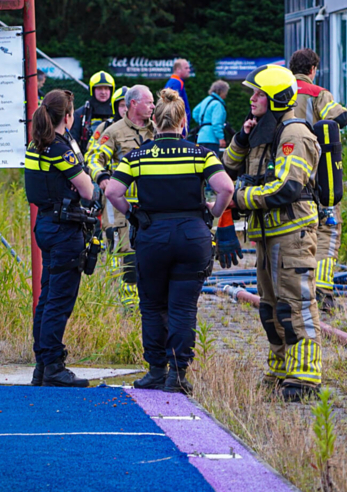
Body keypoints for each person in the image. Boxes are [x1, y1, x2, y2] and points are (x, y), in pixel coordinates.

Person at [104, 89, 235, 393]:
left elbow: (112, 192)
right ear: (182, 121)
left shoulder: (138, 155)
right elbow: (225, 188)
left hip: (152, 237)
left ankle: (154, 371)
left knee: (151, 305)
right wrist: (212, 213)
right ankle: (177, 375)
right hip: (192, 235)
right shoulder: (200, 154)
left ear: (156, 119)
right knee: (183, 306)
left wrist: (133, 214)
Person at [221, 64, 321, 402]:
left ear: (277, 98)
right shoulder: (263, 131)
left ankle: (305, 376)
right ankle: (282, 369)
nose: (252, 98)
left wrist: (239, 198)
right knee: (270, 308)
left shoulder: (295, 135)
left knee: (296, 303)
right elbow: (227, 167)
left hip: (292, 234)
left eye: (259, 93)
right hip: (266, 234)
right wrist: (242, 138)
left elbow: (285, 187)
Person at [25, 89, 101, 387]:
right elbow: (87, 190)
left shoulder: (36, 144)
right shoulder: (59, 147)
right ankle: (54, 366)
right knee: (59, 300)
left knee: (47, 298)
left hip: (46, 224)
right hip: (63, 229)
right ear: (67, 117)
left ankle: (43, 366)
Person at [289, 48, 347, 315]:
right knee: (326, 233)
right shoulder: (317, 93)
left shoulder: (279, 92)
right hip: (315, 177)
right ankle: (322, 292)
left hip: (282, 176)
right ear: (313, 69)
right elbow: (340, 117)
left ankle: (291, 290)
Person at [88, 85, 156, 310]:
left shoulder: (156, 130)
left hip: (153, 202)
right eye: (149, 102)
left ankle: (149, 297)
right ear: (133, 104)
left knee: (152, 250)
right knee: (126, 251)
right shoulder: (114, 131)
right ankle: (129, 304)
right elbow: (95, 158)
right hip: (121, 204)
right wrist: (102, 177)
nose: (153, 106)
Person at [70, 71, 116, 153]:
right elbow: (73, 140)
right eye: (99, 88)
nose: (103, 92)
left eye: (106, 88)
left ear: (111, 90)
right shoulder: (81, 114)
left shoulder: (118, 111)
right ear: (92, 90)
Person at [84, 85, 129, 166]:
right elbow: (91, 151)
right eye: (122, 105)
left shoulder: (144, 127)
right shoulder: (105, 127)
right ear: (115, 107)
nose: (125, 109)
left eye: (128, 105)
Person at [193, 79, 230, 155]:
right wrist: (221, 138)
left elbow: (195, 112)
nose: (226, 95)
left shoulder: (206, 100)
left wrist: (202, 122)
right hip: (211, 139)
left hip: (201, 137)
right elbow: (217, 123)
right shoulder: (218, 104)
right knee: (211, 164)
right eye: (226, 92)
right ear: (221, 91)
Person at [164, 58, 193, 131]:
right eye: (186, 68)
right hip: (178, 128)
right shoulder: (176, 83)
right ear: (178, 69)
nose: (189, 70)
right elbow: (172, 106)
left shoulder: (176, 82)